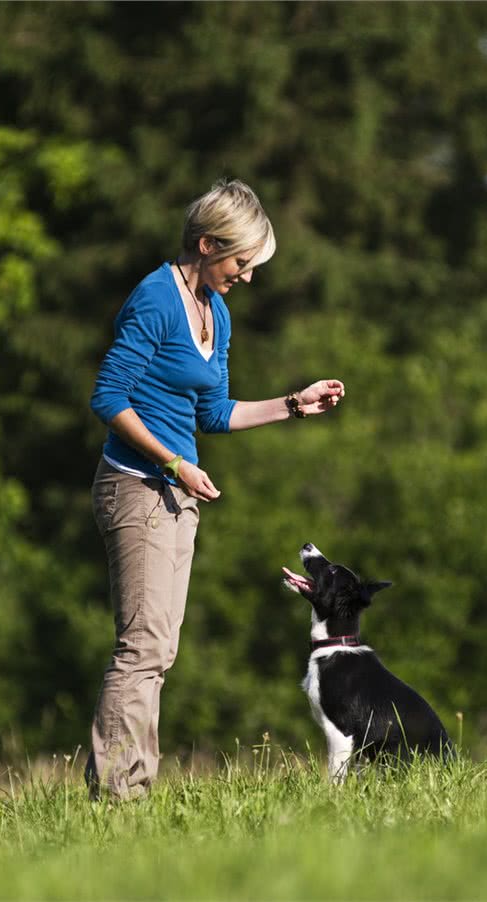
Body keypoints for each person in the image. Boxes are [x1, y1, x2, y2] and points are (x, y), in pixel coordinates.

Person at [84, 179, 345, 801]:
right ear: (207, 245)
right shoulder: (155, 299)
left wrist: (292, 403)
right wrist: (175, 464)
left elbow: (215, 412)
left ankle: (130, 792)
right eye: (241, 262)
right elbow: (108, 398)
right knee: (142, 647)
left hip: (178, 495)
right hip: (136, 486)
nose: (247, 277)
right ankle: (118, 798)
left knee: (160, 650)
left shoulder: (215, 313)